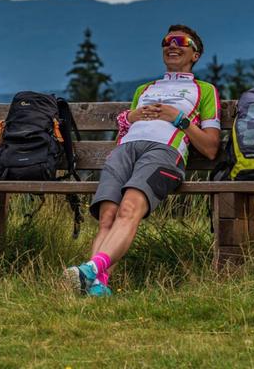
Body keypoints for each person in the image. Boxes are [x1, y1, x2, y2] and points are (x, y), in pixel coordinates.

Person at [64, 24, 221, 296]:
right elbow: (123, 132)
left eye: (181, 41)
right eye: (166, 41)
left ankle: (90, 270)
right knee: (107, 217)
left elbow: (210, 148)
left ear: (195, 55)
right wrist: (128, 119)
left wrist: (178, 118)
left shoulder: (205, 90)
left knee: (128, 210)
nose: (172, 45)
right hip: (126, 151)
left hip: (164, 152)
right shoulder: (145, 89)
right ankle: (98, 287)